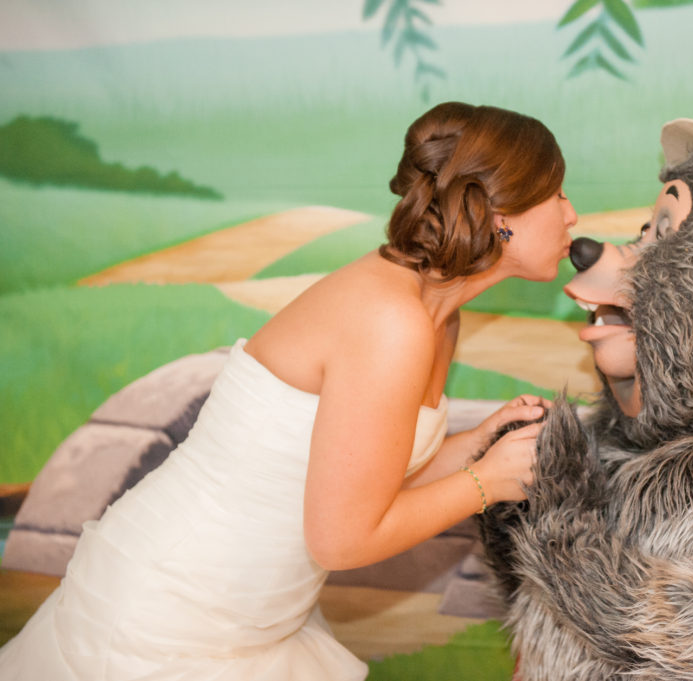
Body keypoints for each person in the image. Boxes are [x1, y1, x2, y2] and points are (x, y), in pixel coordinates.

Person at [0, 101, 578, 680]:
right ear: (502, 214)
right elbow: (340, 542)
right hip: (172, 612)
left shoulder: (434, 316)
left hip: (250, 617)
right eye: (557, 194)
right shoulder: (391, 322)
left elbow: (363, 486)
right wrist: (487, 481)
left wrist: (476, 444)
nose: (572, 215)